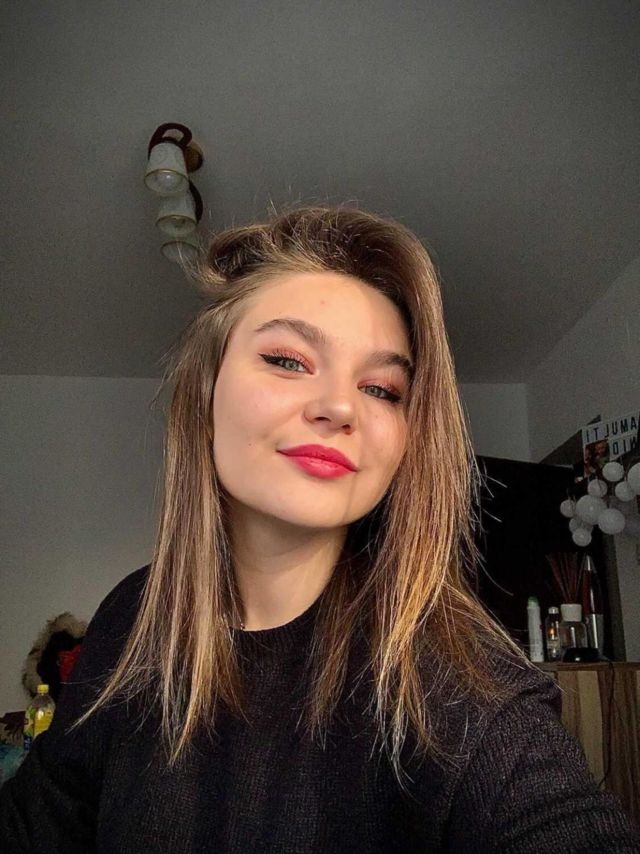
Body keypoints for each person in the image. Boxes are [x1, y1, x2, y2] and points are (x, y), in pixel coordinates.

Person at [1, 205, 638, 853]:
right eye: (287, 359)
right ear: (205, 392)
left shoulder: (457, 680)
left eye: (382, 389)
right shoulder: (132, 615)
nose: (339, 406)